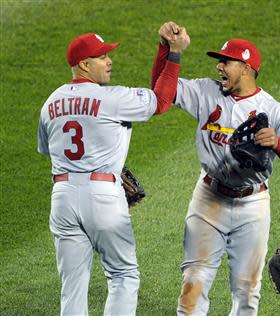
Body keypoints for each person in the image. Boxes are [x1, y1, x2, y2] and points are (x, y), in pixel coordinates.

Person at [153, 21, 280, 315]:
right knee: (193, 284)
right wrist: (168, 51)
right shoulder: (205, 92)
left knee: (247, 292)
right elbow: (161, 92)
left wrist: (277, 143)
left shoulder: (273, 109)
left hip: (253, 205)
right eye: (219, 61)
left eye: (226, 62)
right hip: (208, 199)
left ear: (246, 68)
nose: (219, 67)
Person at [37, 30, 190, 315]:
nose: (109, 61)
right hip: (103, 194)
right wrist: (173, 54)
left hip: (62, 197)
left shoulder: (50, 104)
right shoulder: (112, 98)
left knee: (72, 285)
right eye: (102, 56)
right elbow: (161, 101)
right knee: (123, 275)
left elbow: (50, 150)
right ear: (84, 64)